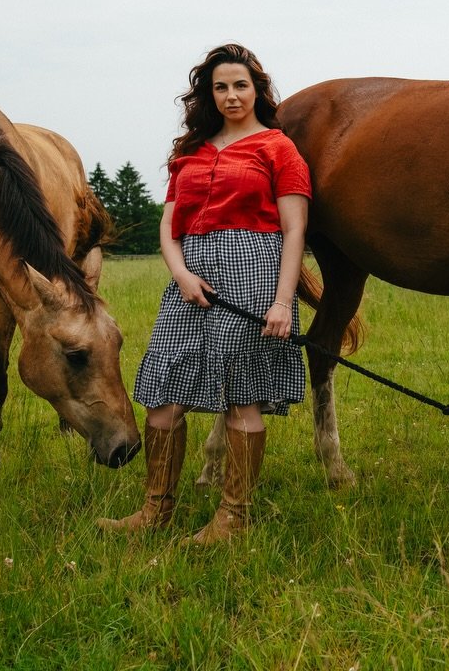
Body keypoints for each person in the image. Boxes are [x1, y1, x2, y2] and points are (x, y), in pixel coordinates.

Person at [98, 43, 311, 542]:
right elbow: (168, 226)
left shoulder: (279, 148)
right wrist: (180, 274)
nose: (232, 95)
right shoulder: (188, 152)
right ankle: (155, 511)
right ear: (208, 94)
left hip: (254, 274)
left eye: (241, 85)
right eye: (221, 87)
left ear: (257, 89)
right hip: (189, 278)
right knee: (164, 394)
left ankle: (232, 518)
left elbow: (294, 230)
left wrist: (281, 301)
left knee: (242, 397)